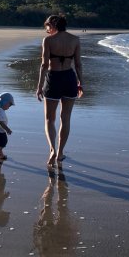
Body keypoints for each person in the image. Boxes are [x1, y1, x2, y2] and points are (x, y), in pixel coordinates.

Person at [36, 15, 83, 165]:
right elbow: (78, 64)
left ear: (52, 25)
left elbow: (44, 65)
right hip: (69, 79)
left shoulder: (48, 41)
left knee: (50, 119)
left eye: (47, 26)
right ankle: (60, 152)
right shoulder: (75, 40)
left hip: (53, 79)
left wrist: (39, 86)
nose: (46, 30)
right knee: (66, 118)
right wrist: (81, 83)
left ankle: (52, 149)